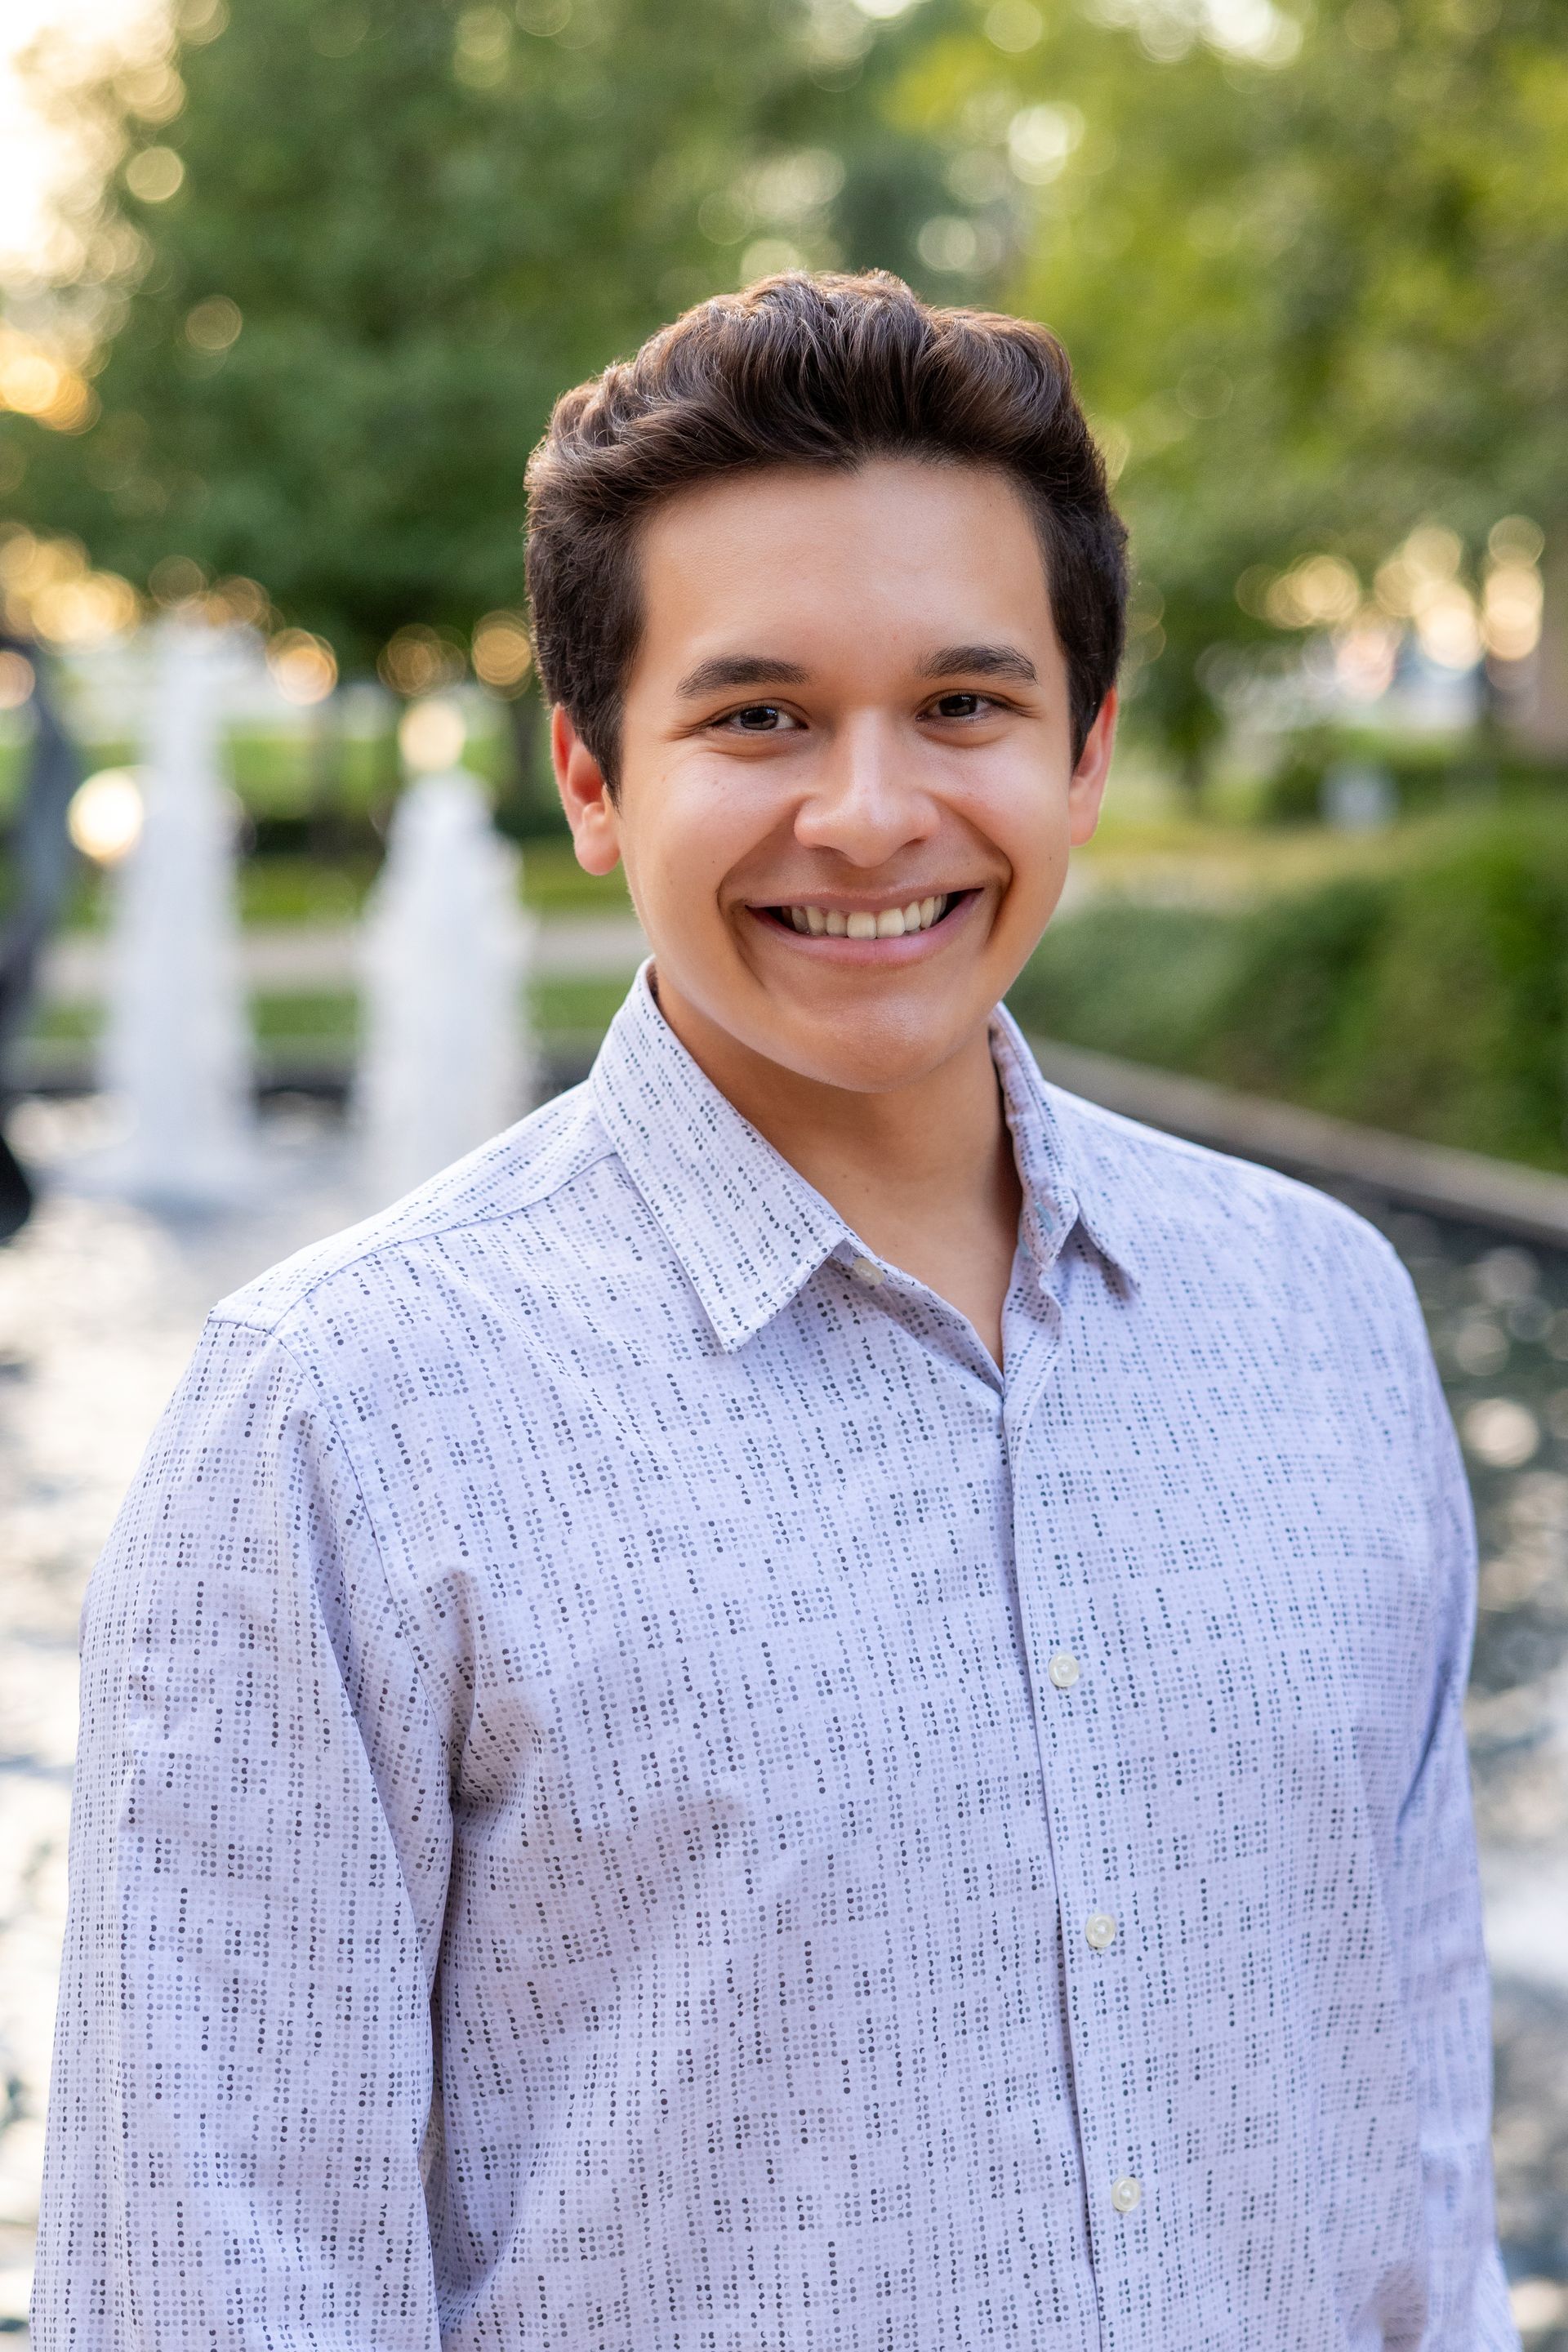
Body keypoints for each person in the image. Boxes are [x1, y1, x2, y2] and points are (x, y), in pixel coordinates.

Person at [36, 270, 1516, 2350]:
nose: (870, 813)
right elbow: (214, 2287)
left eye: (965, 707)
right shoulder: (337, 1423)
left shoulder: (1327, 1321)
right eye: (759, 717)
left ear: (1085, 750)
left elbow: (1422, 2172)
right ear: (589, 775)